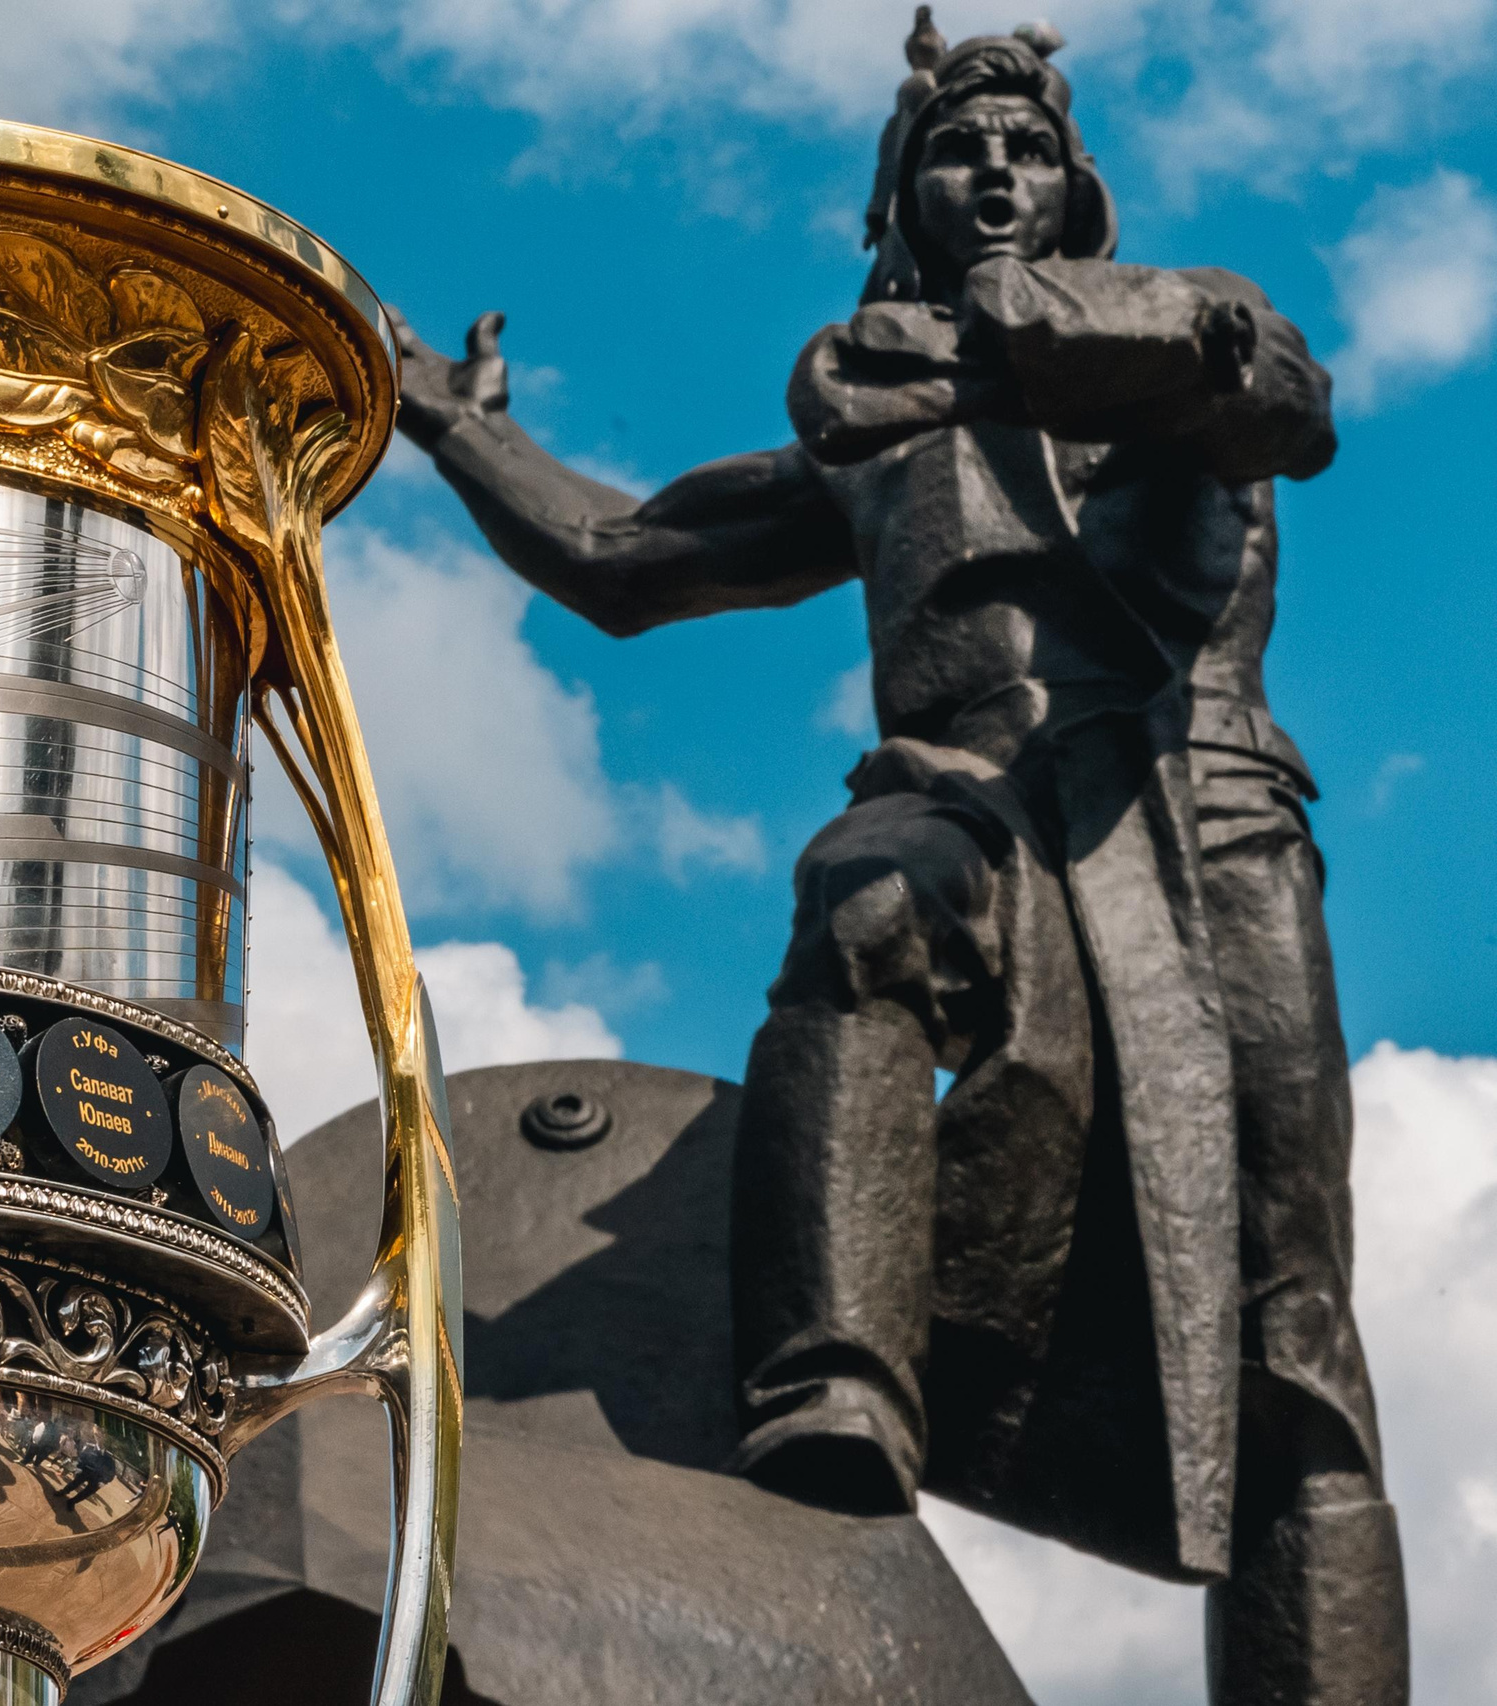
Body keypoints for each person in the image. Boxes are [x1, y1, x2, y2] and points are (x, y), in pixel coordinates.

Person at [392, 13, 1406, 1702]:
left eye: (1023, 149)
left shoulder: (1185, 350)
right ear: (903, 194)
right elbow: (633, 558)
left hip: (1200, 821)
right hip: (970, 793)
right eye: (955, 151)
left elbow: (1286, 403)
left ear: (1075, 186)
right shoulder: (882, 428)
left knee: (1288, 1339)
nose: (992, 174)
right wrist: (457, 428)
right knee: (864, 898)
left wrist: (1017, 324)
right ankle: (839, 1391)